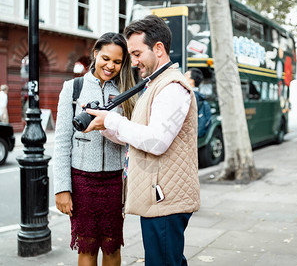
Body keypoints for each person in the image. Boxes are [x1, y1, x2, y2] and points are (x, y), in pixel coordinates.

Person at [84, 15, 201, 266]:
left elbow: (156, 141)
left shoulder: (171, 87)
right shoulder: (155, 84)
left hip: (166, 200)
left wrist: (113, 121)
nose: (133, 61)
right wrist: (104, 125)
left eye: (137, 53)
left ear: (158, 48)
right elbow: (139, 134)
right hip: (159, 197)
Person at [52, 32, 136, 266]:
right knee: (87, 248)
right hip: (82, 181)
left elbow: (132, 136)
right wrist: (62, 189)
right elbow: (61, 141)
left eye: (117, 62)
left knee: (112, 245)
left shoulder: (127, 91)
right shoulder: (73, 88)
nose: (110, 66)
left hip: (114, 181)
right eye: (106, 58)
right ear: (95, 53)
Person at [185, 68, 212, 138]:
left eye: (186, 75)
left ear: (191, 81)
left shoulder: (190, 96)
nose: (183, 76)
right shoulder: (198, 95)